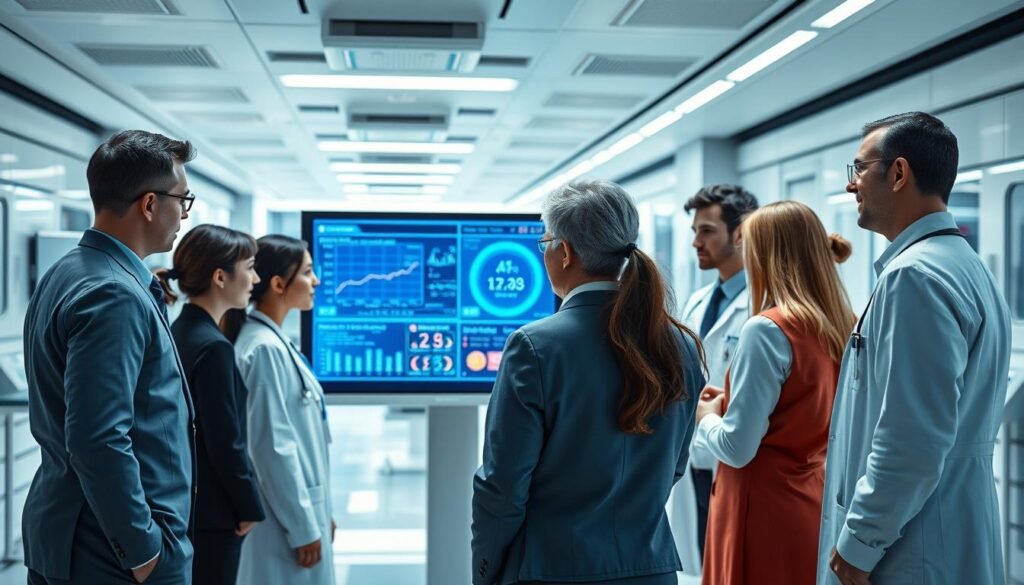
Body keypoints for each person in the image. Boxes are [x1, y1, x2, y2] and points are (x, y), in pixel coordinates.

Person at [472, 180, 706, 585]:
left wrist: (486, 571)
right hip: (650, 571)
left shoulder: (534, 347)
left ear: (564, 252)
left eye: (543, 242)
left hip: (553, 571)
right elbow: (673, 467)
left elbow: (503, 487)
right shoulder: (681, 344)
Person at [819, 112, 1010, 585]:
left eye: (859, 169)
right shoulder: (965, 266)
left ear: (899, 173)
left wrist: (861, 539)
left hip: (912, 544)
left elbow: (913, 435)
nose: (852, 185)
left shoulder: (914, 277)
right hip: (945, 523)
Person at [21, 130, 196, 584]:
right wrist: (142, 551)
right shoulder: (114, 293)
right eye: (183, 199)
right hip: (110, 554)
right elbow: (98, 437)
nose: (184, 214)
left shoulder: (68, 271)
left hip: (67, 534)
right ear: (150, 204)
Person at [695, 201, 855, 584]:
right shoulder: (842, 324)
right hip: (808, 503)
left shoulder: (767, 329)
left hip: (757, 509)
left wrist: (708, 418)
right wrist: (731, 401)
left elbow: (737, 448)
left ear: (767, 255)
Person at [159, 224, 266, 585]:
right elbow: (225, 442)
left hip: (189, 504)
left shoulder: (181, 332)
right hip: (215, 513)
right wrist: (248, 506)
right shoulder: (214, 347)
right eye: (249, 267)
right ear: (221, 276)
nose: (255, 278)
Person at [226, 235, 336, 585]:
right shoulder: (263, 351)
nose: (316, 280)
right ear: (277, 284)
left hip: (299, 511)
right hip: (281, 527)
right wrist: (303, 526)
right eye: (307, 272)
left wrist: (321, 514)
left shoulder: (274, 343)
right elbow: (271, 448)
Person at [672, 184, 759, 570]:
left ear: (739, 234)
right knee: (704, 559)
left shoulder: (762, 302)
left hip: (742, 460)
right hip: (695, 455)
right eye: (695, 231)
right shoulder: (697, 301)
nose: (696, 242)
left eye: (707, 231)